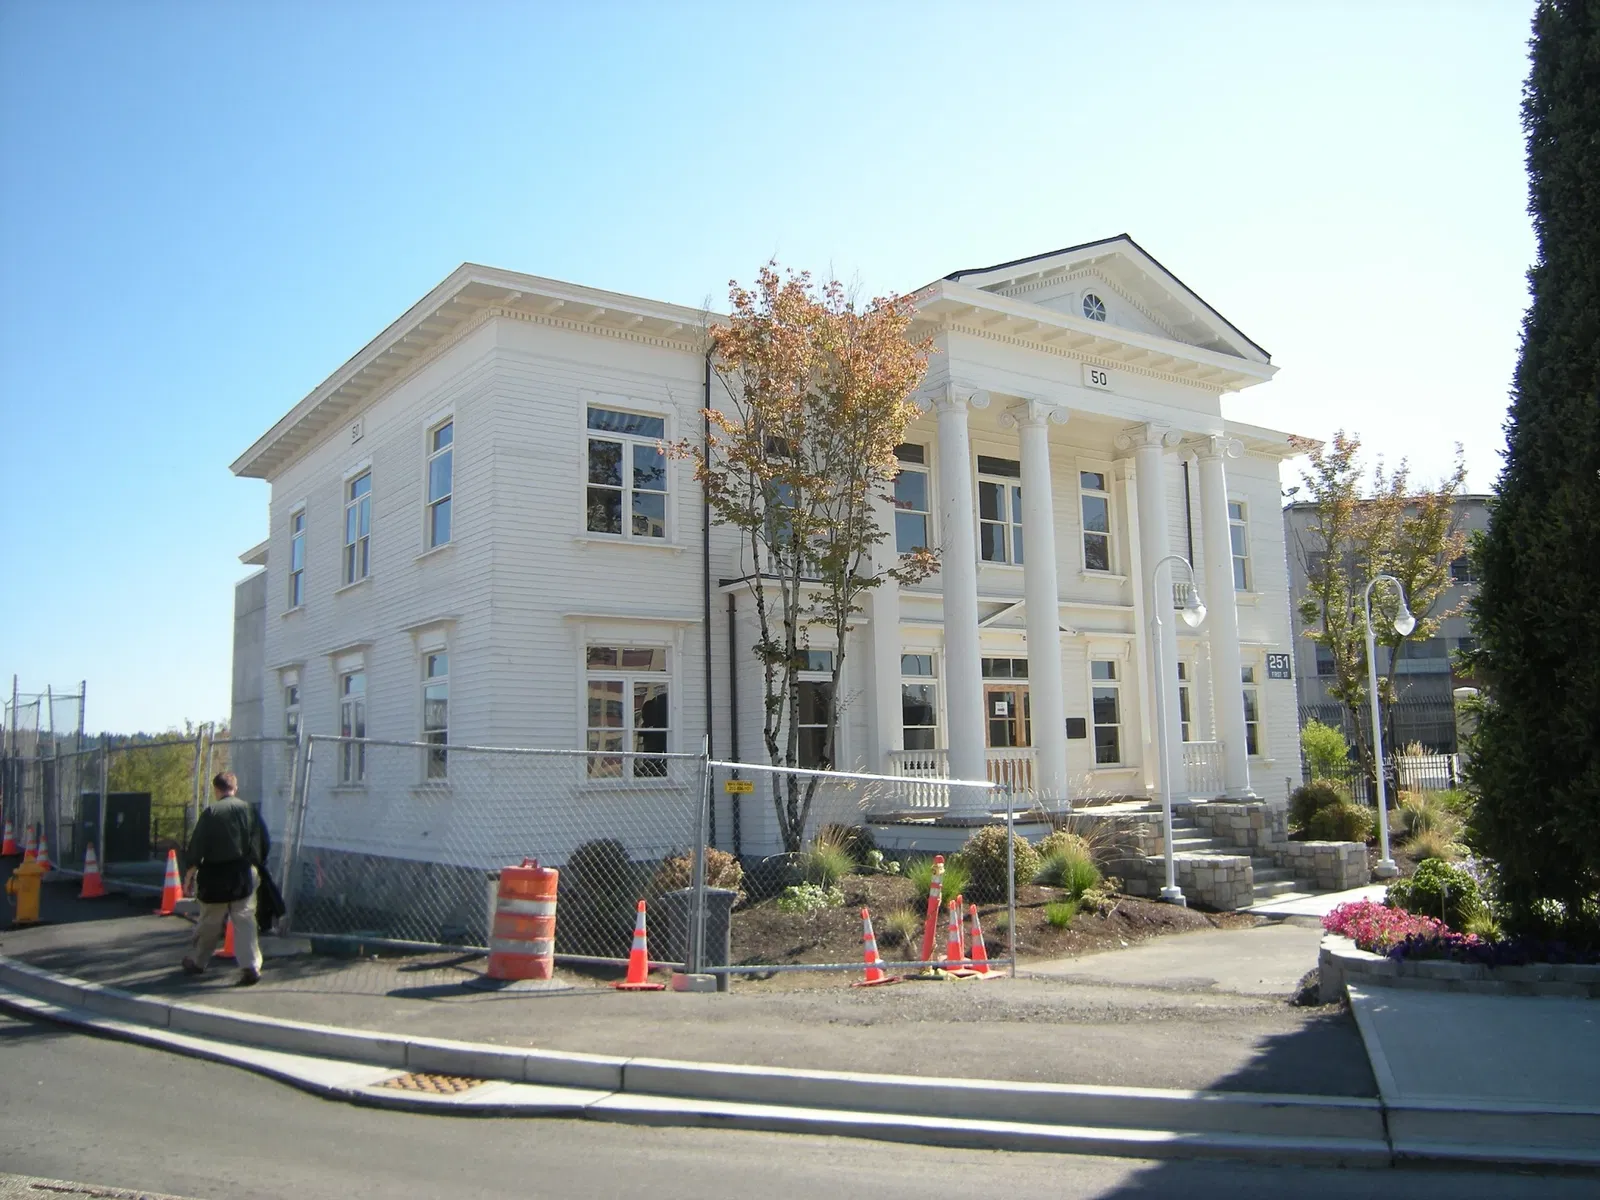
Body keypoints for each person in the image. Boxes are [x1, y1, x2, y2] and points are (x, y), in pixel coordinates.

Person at [181, 771, 269, 986]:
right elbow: (262, 841)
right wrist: (256, 865)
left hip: (215, 876)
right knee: (245, 921)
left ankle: (199, 962)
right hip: (242, 873)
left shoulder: (211, 812)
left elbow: (197, 847)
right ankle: (250, 966)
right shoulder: (249, 810)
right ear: (235, 788)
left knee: (210, 921)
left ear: (216, 789)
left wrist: (189, 874)